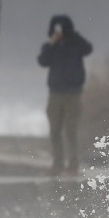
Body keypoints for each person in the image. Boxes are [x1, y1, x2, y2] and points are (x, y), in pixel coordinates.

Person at [37, 14, 92, 176]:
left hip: (73, 93)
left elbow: (88, 48)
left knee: (71, 130)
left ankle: (73, 165)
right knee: (55, 130)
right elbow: (42, 61)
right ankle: (58, 164)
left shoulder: (76, 44)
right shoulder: (50, 47)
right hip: (55, 93)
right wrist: (52, 44)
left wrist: (73, 35)